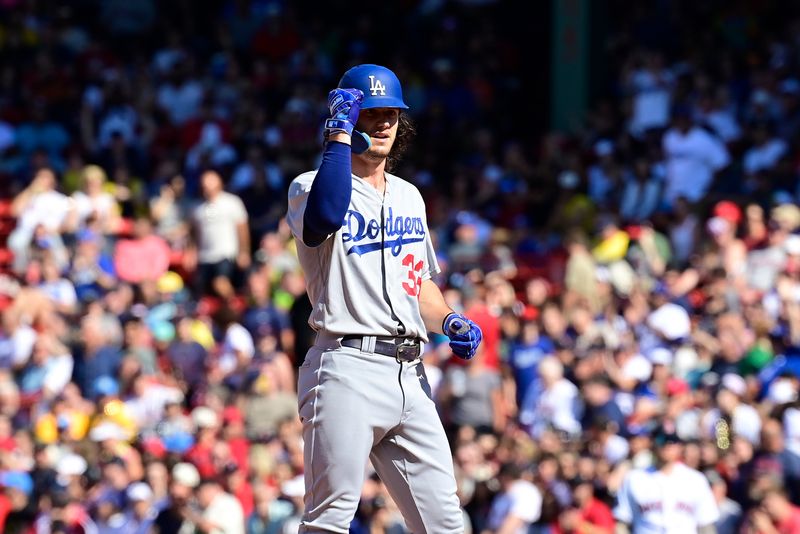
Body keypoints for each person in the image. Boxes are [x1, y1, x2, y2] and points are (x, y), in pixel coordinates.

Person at [285, 63, 483, 533]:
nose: (382, 124)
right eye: (369, 113)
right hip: (346, 366)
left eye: (390, 113)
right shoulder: (310, 186)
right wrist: (335, 139)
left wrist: (451, 319)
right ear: (345, 116)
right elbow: (325, 217)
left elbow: (419, 286)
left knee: (445, 523)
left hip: (410, 374)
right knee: (330, 519)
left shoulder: (410, 197)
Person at [613, 428, 720, 533]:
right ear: (652, 444)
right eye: (662, 439)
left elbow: (706, 525)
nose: (667, 445)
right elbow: (622, 521)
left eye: (673, 441)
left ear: (680, 447)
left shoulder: (696, 480)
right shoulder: (634, 478)